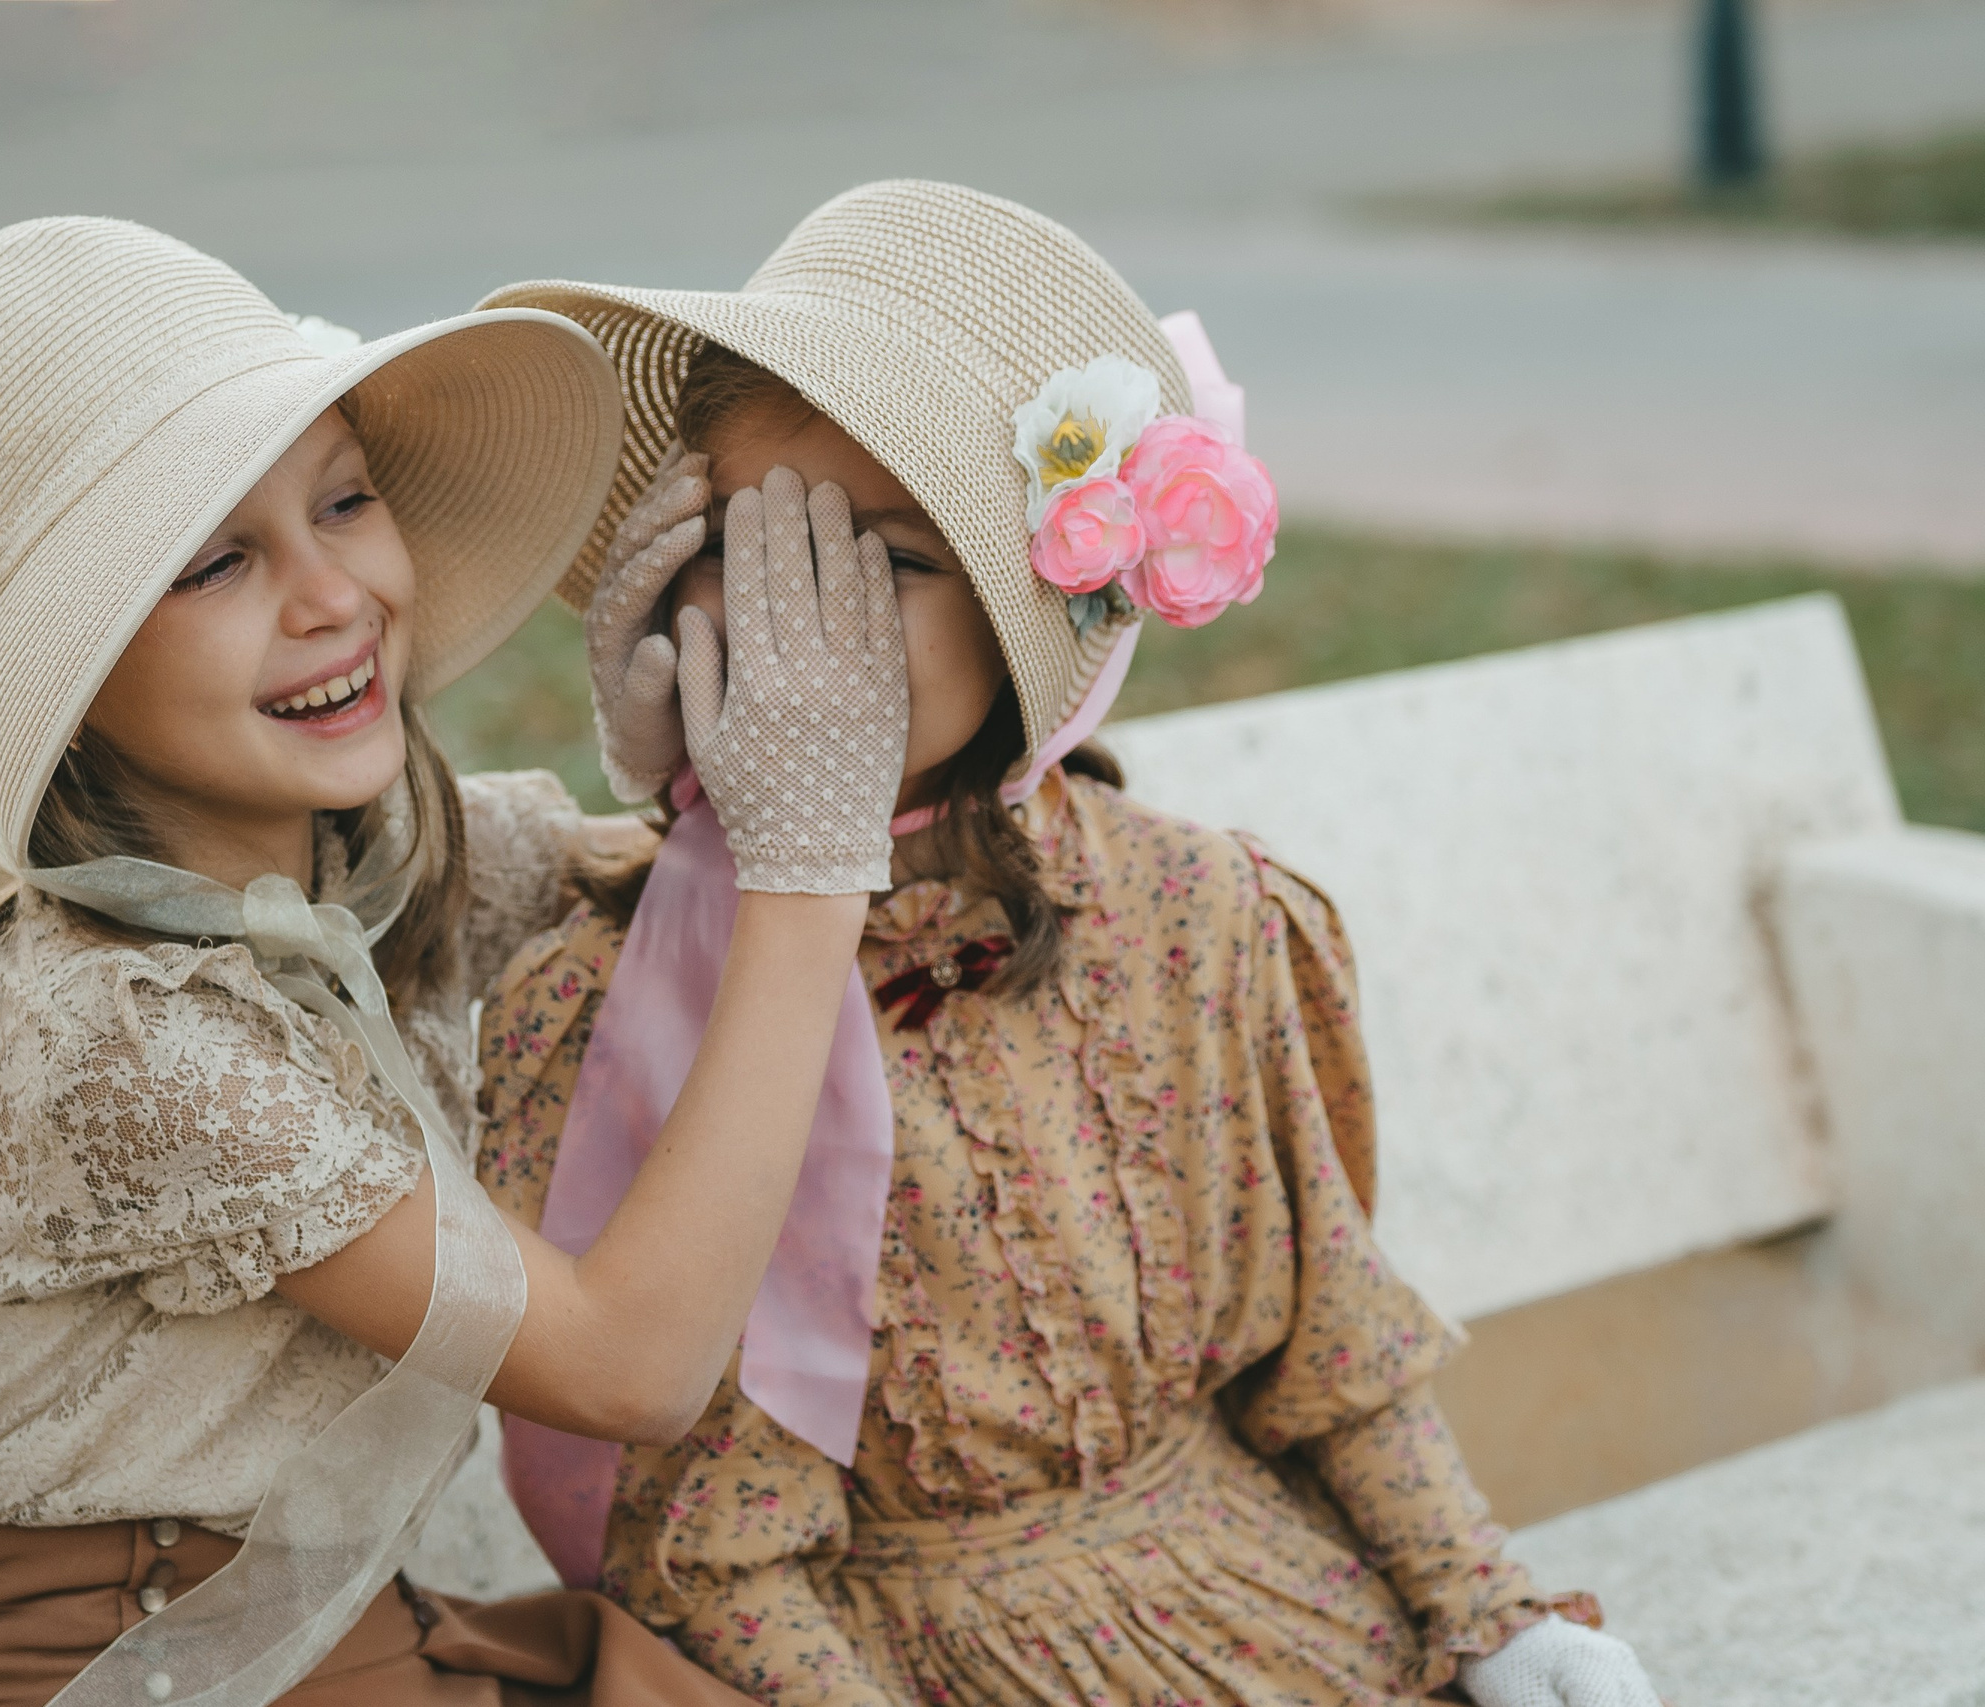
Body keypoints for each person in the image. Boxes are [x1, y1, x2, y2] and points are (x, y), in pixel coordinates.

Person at [472, 182, 1664, 1707]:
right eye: (748, 550)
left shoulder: (1195, 915)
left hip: (1267, 1613)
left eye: (884, 562)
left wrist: (1497, 1615)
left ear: (1027, 607)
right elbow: (705, 1557)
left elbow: (1333, 1354)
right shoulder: (609, 1007)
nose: (798, 624)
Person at [0, 215, 910, 1706]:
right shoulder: (119, 1041)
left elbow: (660, 907)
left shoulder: (378, 873)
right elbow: (630, 1369)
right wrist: (807, 872)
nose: (333, 597)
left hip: (344, 1640)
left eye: (347, 500)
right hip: (161, 1668)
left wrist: (691, 786)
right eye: (216, 565)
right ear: (74, 674)